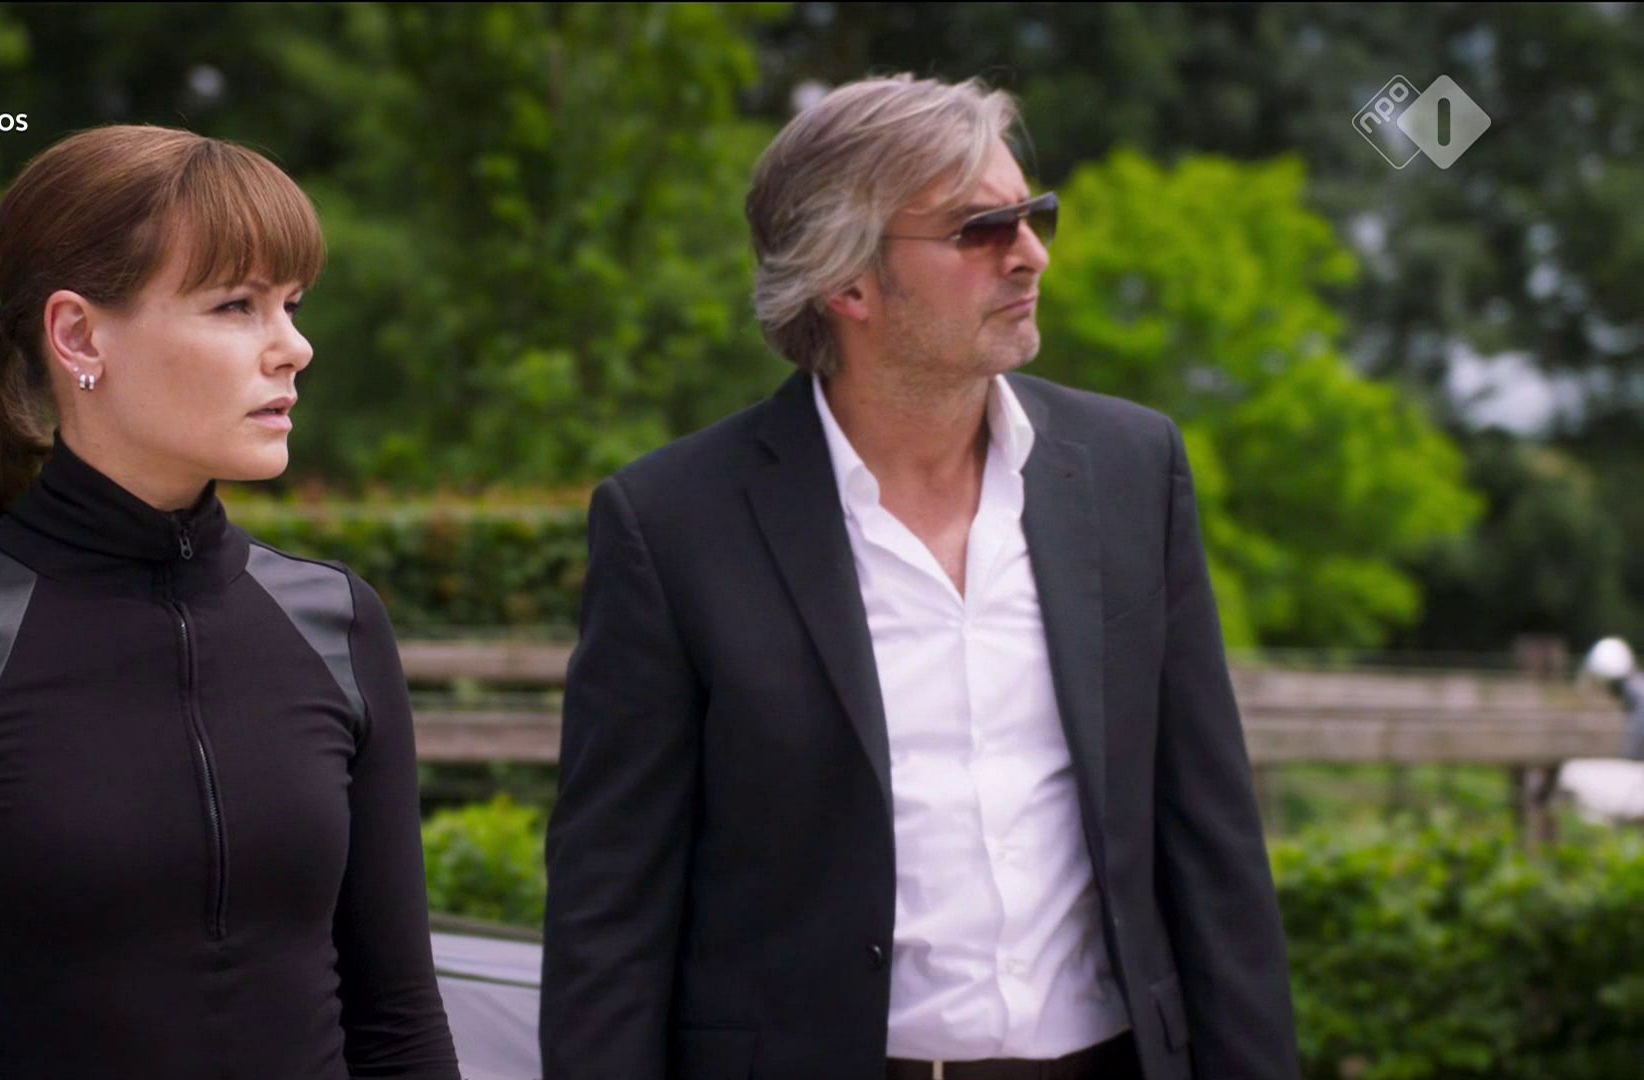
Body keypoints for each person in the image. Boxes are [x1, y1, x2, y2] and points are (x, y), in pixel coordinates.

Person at [540, 75, 1300, 1080]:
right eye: (980, 229)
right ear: (846, 285)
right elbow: (610, 911)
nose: (1030, 254)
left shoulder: (1131, 469)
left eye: (1033, 214)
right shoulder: (672, 523)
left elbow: (1213, 847)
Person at [0, 125, 461, 1080]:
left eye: (292, 305)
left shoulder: (337, 622)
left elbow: (401, 1027)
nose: (294, 347)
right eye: (236, 305)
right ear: (79, 335)